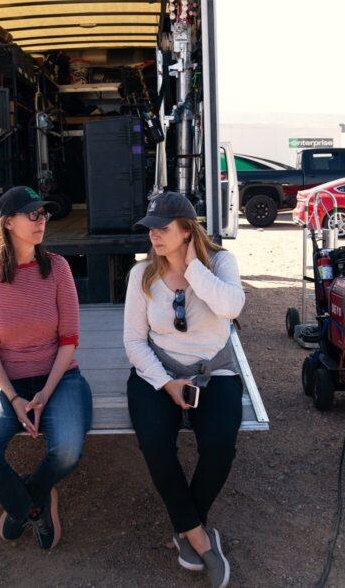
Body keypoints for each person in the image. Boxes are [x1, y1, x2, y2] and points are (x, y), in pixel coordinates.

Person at [123, 192, 245, 588]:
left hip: (214, 371)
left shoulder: (220, 263)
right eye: (150, 230)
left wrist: (192, 266)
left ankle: (186, 523)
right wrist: (165, 382)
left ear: (187, 231)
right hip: (157, 372)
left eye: (162, 229)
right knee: (155, 443)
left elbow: (231, 308)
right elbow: (134, 342)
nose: (154, 236)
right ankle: (198, 536)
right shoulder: (141, 275)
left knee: (220, 444)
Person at [0, 186, 93, 551]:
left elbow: (69, 339)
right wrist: (15, 398)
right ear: (8, 223)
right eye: (32, 215)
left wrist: (44, 394)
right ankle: (31, 508)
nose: (41, 222)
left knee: (67, 451)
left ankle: (28, 497)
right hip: (6, 382)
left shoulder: (58, 268)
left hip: (60, 378)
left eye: (44, 214)